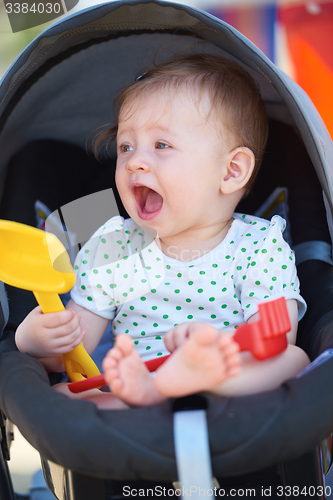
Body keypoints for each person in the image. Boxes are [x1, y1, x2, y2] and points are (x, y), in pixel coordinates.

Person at [15, 53, 310, 409]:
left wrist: (217, 349)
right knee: (58, 396)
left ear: (231, 171)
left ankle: (199, 379)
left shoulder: (259, 245)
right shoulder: (114, 246)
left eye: (161, 145)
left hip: (229, 384)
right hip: (133, 387)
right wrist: (36, 338)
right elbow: (68, 355)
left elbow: (276, 336)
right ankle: (155, 392)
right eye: (126, 147)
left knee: (294, 359)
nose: (133, 162)